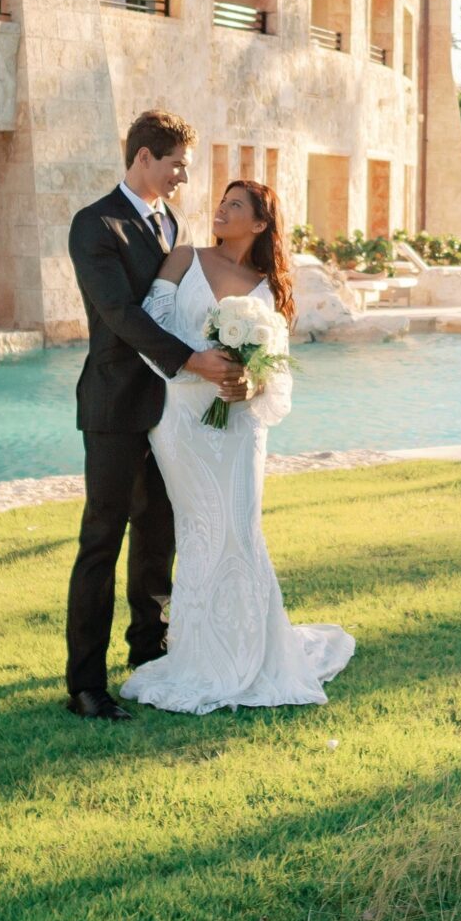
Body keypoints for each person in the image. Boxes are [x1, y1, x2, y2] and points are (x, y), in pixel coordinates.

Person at [122, 178, 352, 713]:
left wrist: (251, 383)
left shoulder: (267, 287)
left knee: (242, 528)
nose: (221, 210)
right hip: (181, 416)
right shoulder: (184, 258)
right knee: (201, 529)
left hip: (242, 424)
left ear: (259, 223)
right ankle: (199, 653)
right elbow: (151, 327)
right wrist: (196, 363)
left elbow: (274, 366)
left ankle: (253, 649)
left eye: (235, 206)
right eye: (221, 202)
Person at [62, 112, 248, 721]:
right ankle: (86, 684)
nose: (182, 180)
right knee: (102, 540)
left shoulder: (171, 223)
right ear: (144, 158)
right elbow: (121, 315)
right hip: (115, 406)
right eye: (175, 166)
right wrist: (194, 360)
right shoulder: (94, 225)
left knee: (157, 538)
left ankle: (149, 652)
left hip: (171, 413)